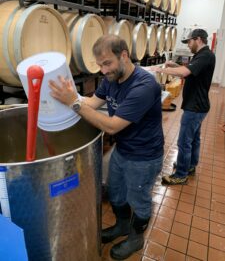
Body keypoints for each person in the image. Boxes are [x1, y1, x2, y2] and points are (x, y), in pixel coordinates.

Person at [49, 35, 164, 260]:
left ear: (123, 56)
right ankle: (121, 226)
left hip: (144, 157)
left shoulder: (144, 86)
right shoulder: (111, 79)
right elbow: (91, 103)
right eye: (100, 65)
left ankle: (136, 237)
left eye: (107, 63)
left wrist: (72, 101)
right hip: (122, 150)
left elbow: (111, 127)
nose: (103, 70)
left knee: (138, 198)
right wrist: (65, 96)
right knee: (115, 191)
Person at [150, 29, 216, 185]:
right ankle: (190, 166)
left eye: (189, 42)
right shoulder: (202, 55)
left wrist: (161, 69)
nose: (188, 46)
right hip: (198, 105)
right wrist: (174, 64)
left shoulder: (206, 55)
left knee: (184, 141)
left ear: (198, 39)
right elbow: (190, 70)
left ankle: (180, 174)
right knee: (194, 139)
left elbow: (185, 72)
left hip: (195, 107)